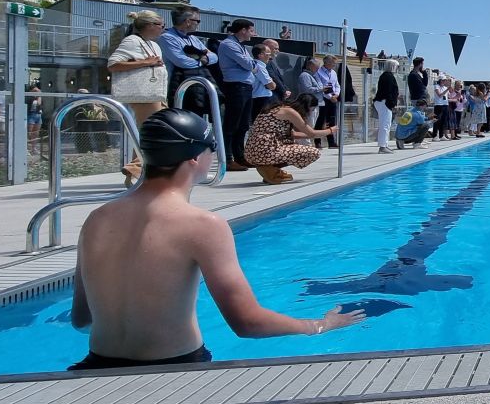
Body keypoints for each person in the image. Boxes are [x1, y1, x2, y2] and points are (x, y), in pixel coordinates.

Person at [69, 109, 364, 370]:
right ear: (196, 158)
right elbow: (247, 323)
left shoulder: (97, 218)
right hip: (173, 369)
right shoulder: (202, 226)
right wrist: (319, 325)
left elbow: (82, 319)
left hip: (93, 366)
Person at [107, 9, 169, 187]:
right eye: (161, 26)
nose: (163, 30)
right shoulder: (132, 41)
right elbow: (113, 64)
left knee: (155, 132)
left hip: (155, 93)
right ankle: (136, 170)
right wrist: (146, 62)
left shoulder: (152, 44)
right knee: (152, 132)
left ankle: (141, 172)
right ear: (150, 25)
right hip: (144, 95)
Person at [244, 94, 335, 184]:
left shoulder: (277, 108)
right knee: (313, 153)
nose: (311, 113)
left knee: (289, 141)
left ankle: (269, 170)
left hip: (251, 152)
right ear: (307, 106)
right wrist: (331, 130)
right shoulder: (290, 112)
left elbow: (294, 134)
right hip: (264, 152)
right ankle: (267, 168)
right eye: (312, 110)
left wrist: (313, 134)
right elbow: (311, 133)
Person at [216, 18, 257, 172]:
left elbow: (254, 65)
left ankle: (240, 156)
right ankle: (227, 158)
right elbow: (249, 64)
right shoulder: (228, 45)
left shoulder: (241, 46)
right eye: (251, 30)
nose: (253, 34)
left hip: (246, 86)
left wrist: (251, 65)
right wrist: (251, 65)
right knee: (232, 124)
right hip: (235, 86)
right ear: (243, 30)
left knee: (243, 124)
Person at [159, 6, 216, 116]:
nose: (198, 24)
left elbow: (214, 57)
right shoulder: (167, 37)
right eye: (198, 21)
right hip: (175, 86)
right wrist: (202, 60)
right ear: (188, 21)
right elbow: (182, 62)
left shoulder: (193, 39)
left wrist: (204, 58)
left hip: (196, 87)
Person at [373, 59, 400, 153]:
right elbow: (388, 92)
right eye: (397, 66)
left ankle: (384, 145)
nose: (398, 69)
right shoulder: (388, 76)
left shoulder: (386, 76)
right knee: (385, 124)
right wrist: (392, 104)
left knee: (386, 124)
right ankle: (382, 146)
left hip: (383, 102)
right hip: (384, 102)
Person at [317, 55, 342, 148]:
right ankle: (317, 141)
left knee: (331, 120)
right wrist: (330, 96)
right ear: (326, 62)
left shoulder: (334, 73)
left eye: (334, 63)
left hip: (333, 99)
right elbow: (321, 86)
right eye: (332, 63)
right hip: (323, 98)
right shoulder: (319, 72)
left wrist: (336, 94)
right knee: (321, 120)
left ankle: (331, 142)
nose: (334, 65)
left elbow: (337, 85)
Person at [249, 44, 276, 121]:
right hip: (262, 100)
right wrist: (272, 82)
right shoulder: (259, 67)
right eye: (268, 54)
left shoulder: (257, 65)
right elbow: (271, 86)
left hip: (259, 99)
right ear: (261, 55)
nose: (270, 57)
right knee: (262, 124)